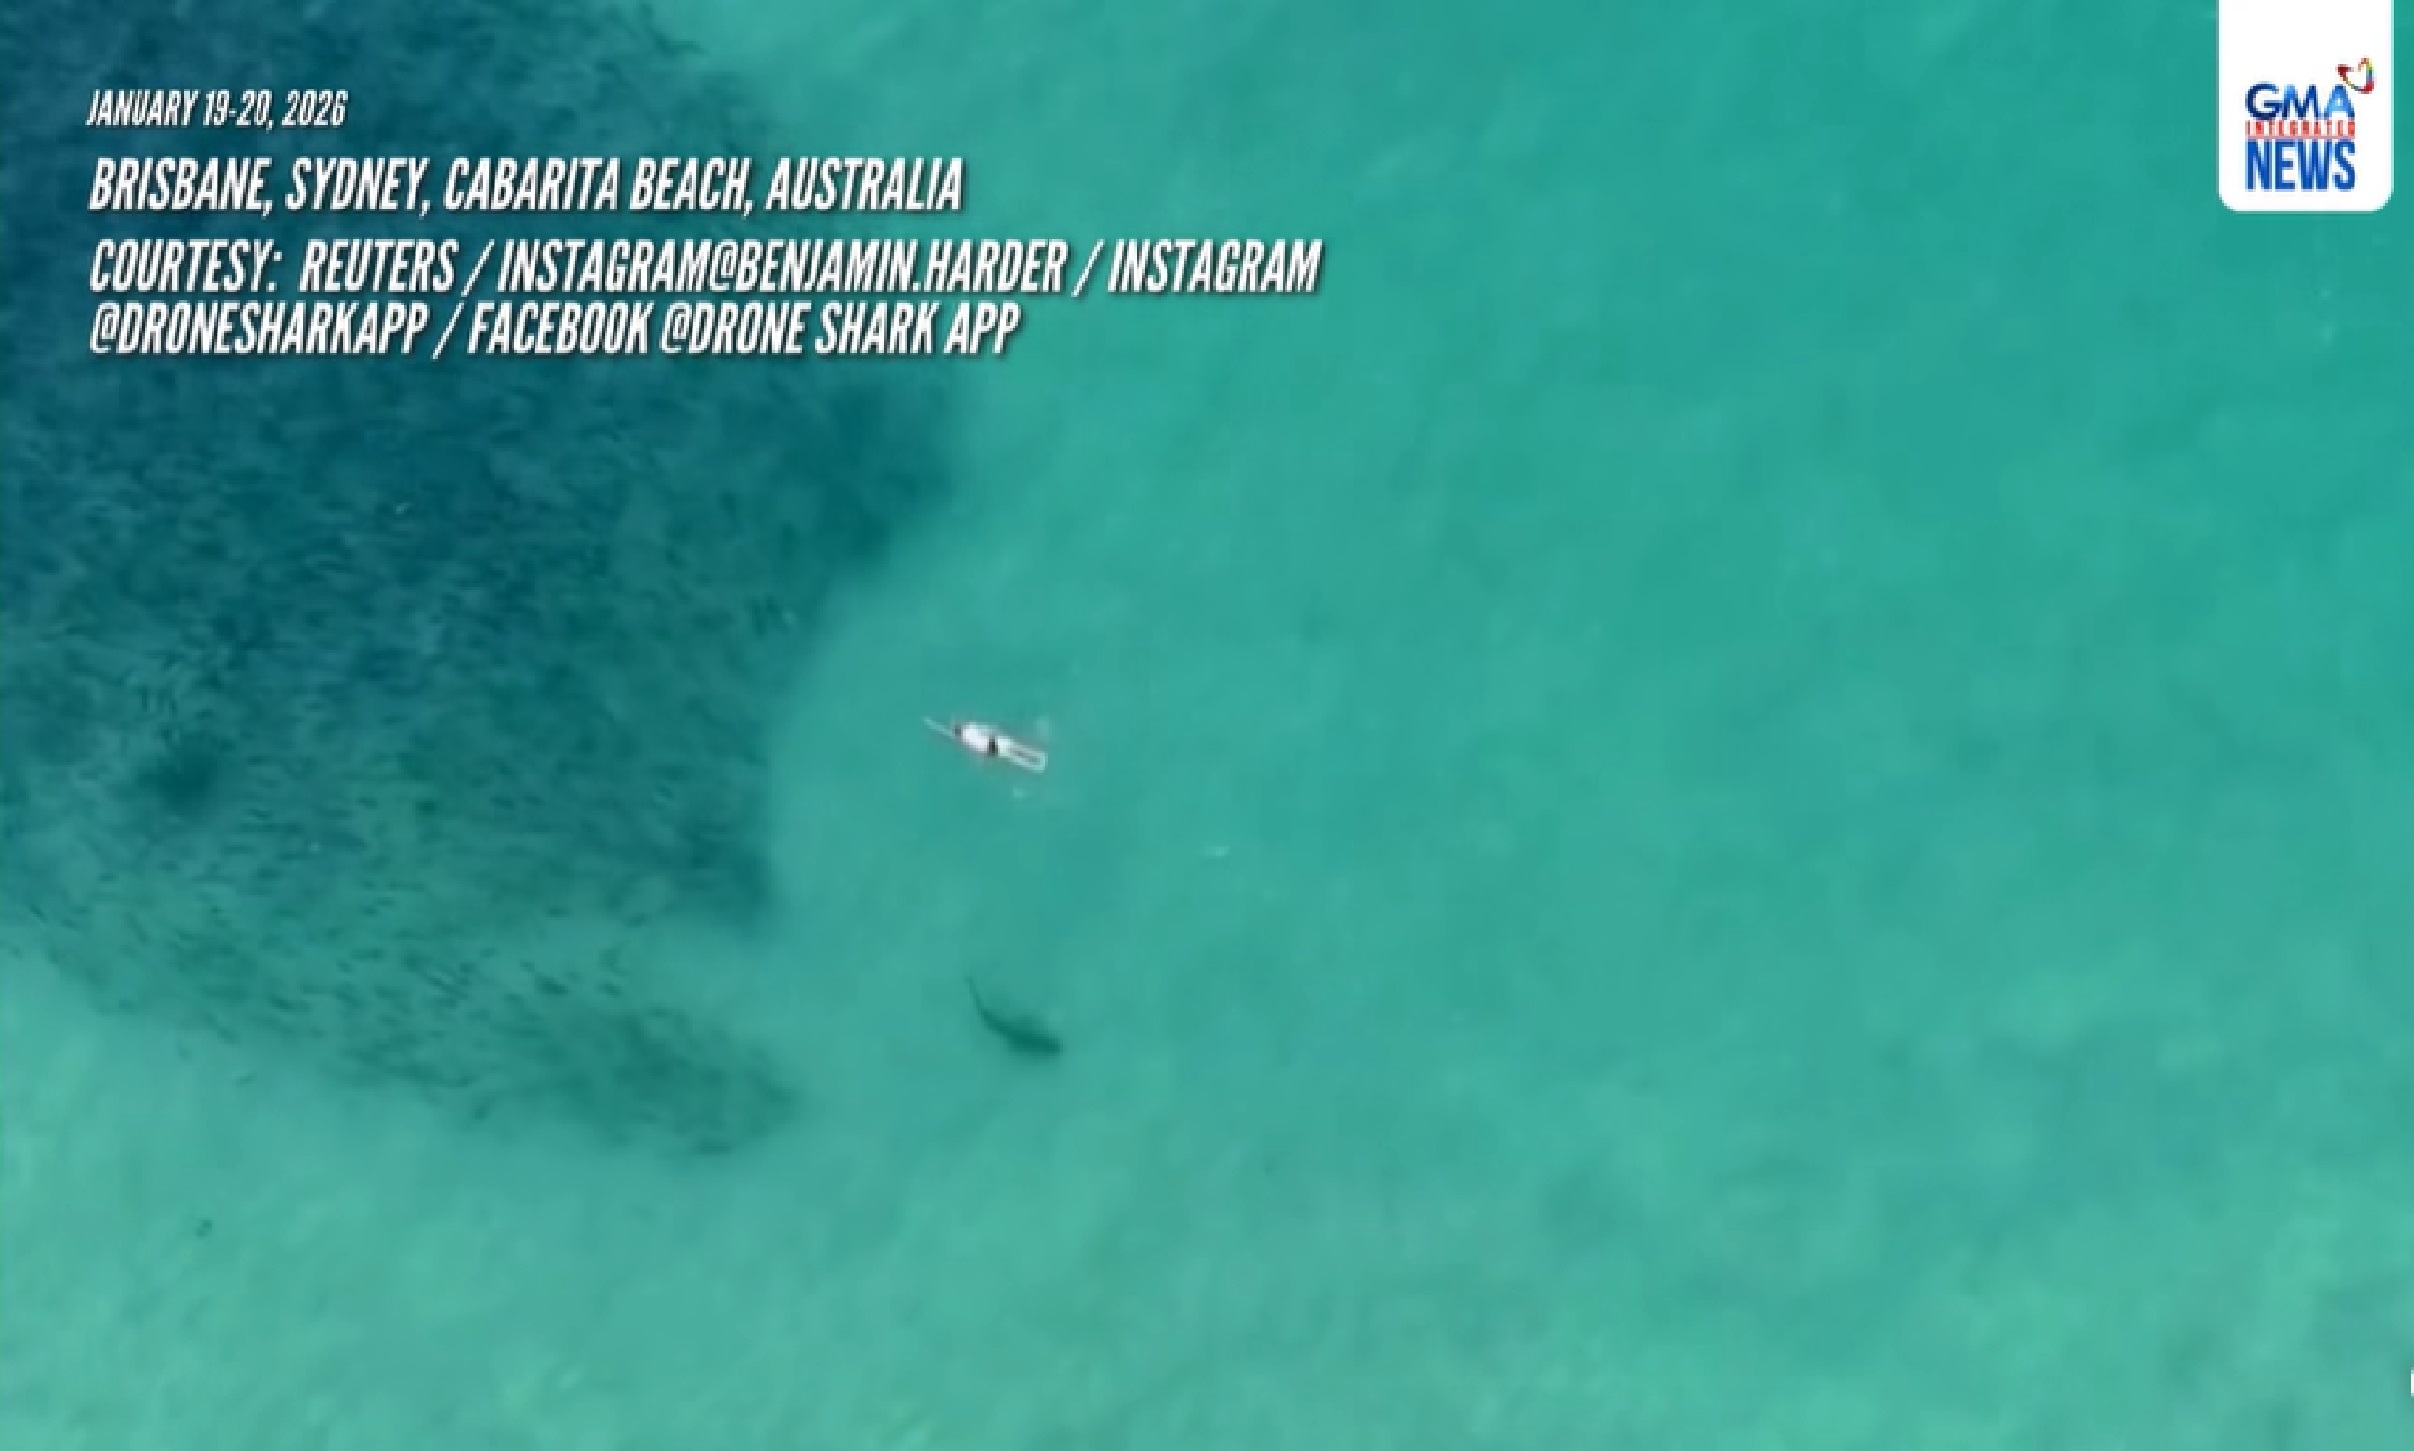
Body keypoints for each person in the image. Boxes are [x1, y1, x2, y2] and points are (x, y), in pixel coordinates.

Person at [926, 717, 1048, 773]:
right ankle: (1038, 756)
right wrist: (994, 729)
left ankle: (1033, 766)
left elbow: (950, 735)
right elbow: (985, 729)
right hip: (992, 741)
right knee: (1015, 747)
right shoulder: (970, 727)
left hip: (987, 749)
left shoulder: (963, 740)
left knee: (1011, 757)